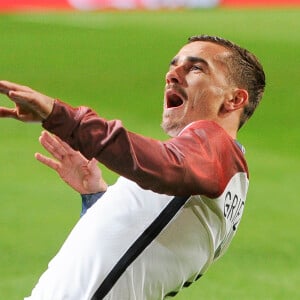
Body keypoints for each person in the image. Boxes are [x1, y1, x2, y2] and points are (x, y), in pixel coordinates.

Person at [0, 34, 265, 300]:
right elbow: (142, 254)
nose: (172, 74)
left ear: (234, 100)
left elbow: (160, 165)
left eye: (196, 68)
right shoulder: (214, 173)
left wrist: (61, 116)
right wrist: (97, 199)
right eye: (174, 65)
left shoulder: (216, 150)